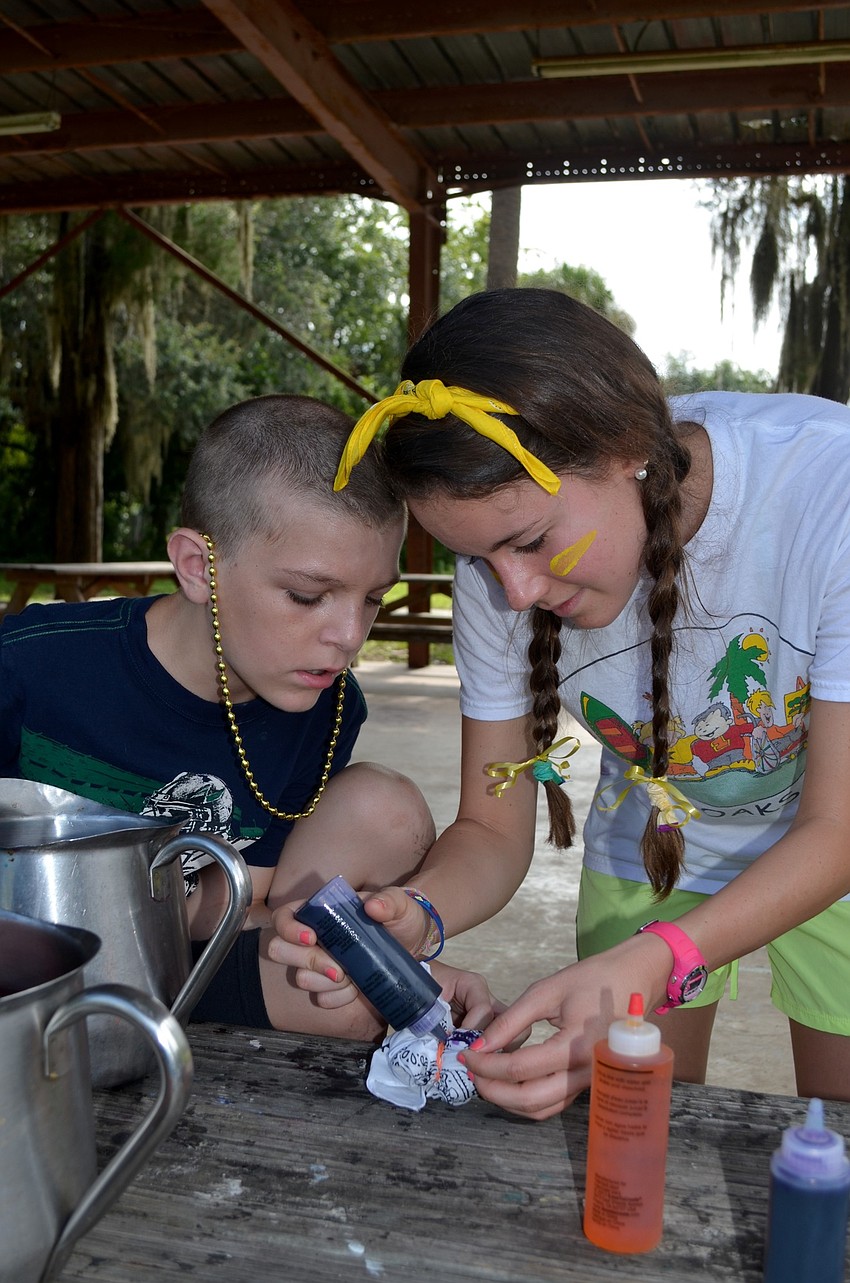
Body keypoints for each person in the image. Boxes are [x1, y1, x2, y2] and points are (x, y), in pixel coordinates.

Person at [317, 286, 850, 1119]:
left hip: (836, 845)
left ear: (628, 447)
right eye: (479, 558)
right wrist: (415, 915)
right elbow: (492, 829)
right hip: (657, 845)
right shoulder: (496, 581)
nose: (515, 588)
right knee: (634, 1138)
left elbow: (838, 826)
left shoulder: (829, 492)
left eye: (530, 541)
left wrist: (656, 958)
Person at [0, 393, 498, 1039]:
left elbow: (246, 903)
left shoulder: (327, 706)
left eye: (373, 598)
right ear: (197, 566)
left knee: (373, 964)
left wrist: (384, 961)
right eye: (307, 595)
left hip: (173, 963)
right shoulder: (32, 664)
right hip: (24, 971)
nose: (348, 635)